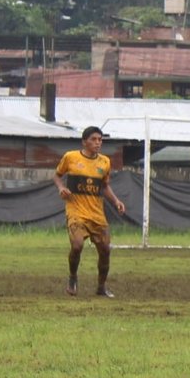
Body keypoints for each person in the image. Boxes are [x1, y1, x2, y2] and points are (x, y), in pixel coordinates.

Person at [54, 125, 127, 298]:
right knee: (77, 245)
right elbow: (57, 175)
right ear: (84, 142)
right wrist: (61, 187)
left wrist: (116, 201)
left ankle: (101, 287)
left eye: (100, 140)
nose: (97, 143)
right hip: (76, 210)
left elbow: (104, 186)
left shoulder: (105, 162)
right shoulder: (70, 157)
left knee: (105, 250)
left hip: (96, 213)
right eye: (94, 139)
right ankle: (73, 277)